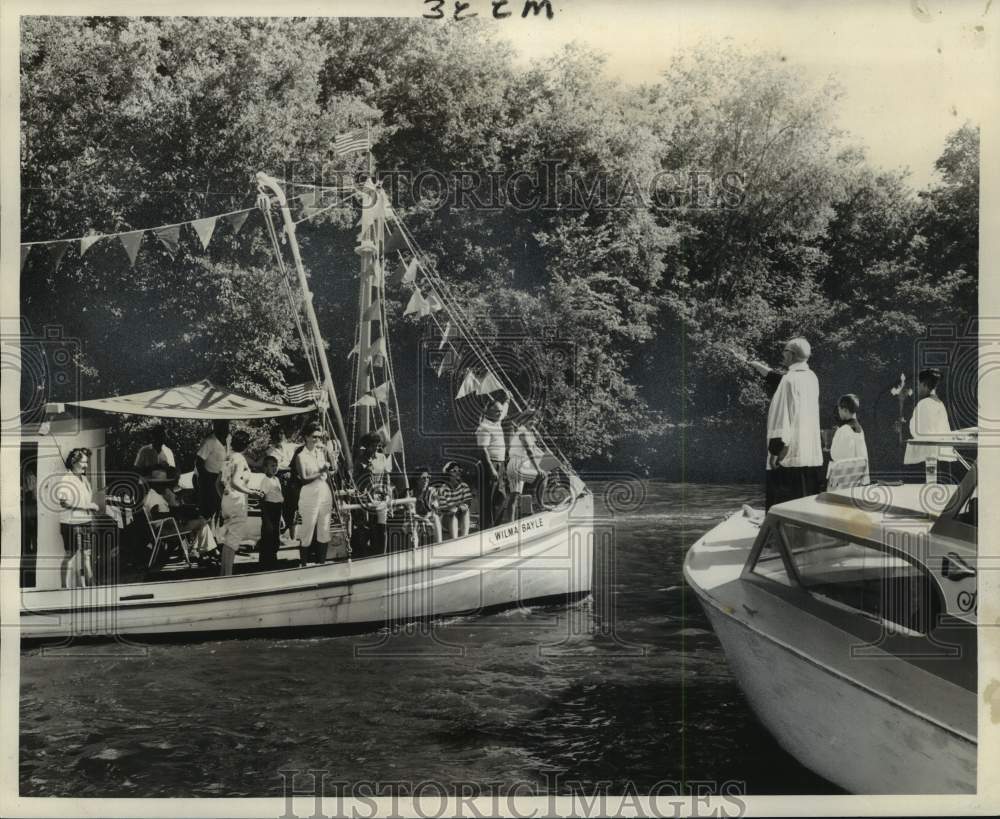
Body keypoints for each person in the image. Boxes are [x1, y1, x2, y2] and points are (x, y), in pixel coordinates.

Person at [763, 337, 823, 510]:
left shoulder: (788, 380)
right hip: (810, 455)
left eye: (785, 350)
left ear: (791, 354)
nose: (783, 354)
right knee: (806, 509)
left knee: (783, 510)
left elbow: (782, 419)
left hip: (789, 458)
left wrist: (774, 452)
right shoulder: (812, 378)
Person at [142, 467, 220, 564]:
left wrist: (176, 515)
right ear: (155, 484)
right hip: (165, 529)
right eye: (162, 483)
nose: (164, 485)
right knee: (201, 522)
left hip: (168, 525)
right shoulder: (153, 496)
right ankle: (206, 551)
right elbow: (156, 515)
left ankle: (204, 551)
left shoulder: (154, 494)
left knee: (200, 521)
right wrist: (175, 516)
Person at [218, 430, 264, 576]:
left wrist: (224, 497)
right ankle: (228, 575)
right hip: (237, 500)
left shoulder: (228, 458)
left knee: (228, 540)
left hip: (227, 499)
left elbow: (217, 483)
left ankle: (224, 573)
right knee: (233, 540)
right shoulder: (239, 459)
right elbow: (235, 482)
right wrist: (251, 492)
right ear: (246, 445)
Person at [54, 447, 99, 588]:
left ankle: (90, 587)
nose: (86, 465)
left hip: (86, 522)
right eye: (83, 462)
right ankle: (64, 588)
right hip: (71, 523)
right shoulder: (66, 479)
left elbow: (85, 500)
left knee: (86, 555)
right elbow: (64, 502)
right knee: (71, 555)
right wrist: (86, 507)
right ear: (74, 462)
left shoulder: (84, 479)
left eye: (87, 462)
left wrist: (90, 508)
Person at [904, 368, 958, 478]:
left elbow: (917, 431)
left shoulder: (924, 404)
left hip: (927, 458)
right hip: (940, 455)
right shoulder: (939, 404)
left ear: (924, 385)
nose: (917, 388)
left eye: (918, 385)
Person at [296, 421, 337, 566]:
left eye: (319, 437)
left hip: (324, 493)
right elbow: (304, 479)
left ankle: (322, 564)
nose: (317, 439)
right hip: (309, 495)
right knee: (307, 530)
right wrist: (321, 472)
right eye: (314, 436)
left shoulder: (321, 453)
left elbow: (330, 474)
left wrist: (331, 463)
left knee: (324, 530)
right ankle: (303, 565)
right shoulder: (301, 456)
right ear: (306, 437)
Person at [505, 406, 549, 520]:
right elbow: (529, 451)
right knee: (544, 476)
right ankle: (540, 505)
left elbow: (534, 450)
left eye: (535, 419)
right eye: (531, 419)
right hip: (517, 465)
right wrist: (538, 469)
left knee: (514, 496)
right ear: (524, 419)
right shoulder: (523, 432)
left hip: (512, 465)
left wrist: (546, 458)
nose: (533, 421)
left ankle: (510, 522)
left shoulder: (524, 432)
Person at [475, 393, 509, 528]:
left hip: (500, 464)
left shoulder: (497, 421)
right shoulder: (484, 427)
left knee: (501, 496)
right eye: (496, 411)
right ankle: (486, 529)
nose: (499, 414)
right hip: (490, 464)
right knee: (488, 499)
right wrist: (491, 469)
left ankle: (496, 527)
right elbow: (482, 450)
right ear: (487, 411)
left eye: (500, 411)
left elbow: (504, 411)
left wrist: (507, 399)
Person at [265, 425, 301, 543]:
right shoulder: (270, 451)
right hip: (278, 480)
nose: (279, 436)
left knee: (293, 508)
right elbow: (274, 467)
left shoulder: (291, 446)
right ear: (272, 436)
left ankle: (293, 538)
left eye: (281, 433)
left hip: (292, 481)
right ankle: (278, 537)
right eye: (276, 434)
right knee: (279, 508)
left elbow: (303, 447)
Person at [828, 394, 870, 485]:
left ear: (845, 410)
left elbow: (835, 455)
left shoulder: (843, 430)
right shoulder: (860, 429)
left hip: (845, 481)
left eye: (839, 410)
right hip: (859, 480)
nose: (838, 412)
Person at [196, 420, 229, 520]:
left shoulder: (229, 439)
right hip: (210, 478)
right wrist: (207, 481)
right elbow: (199, 462)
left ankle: (219, 528)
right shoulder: (210, 441)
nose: (225, 428)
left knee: (222, 508)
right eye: (222, 425)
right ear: (216, 426)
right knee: (210, 509)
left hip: (223, 479)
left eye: (226, 425)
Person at [258, 455, 284, 569]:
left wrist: (281, 517)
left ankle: (273, 560)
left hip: (277, 510)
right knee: (267, 538)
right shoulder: (265, 481)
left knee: (275, 538)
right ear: (265, 468)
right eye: (272, 466)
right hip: (269, 510)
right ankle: (265, 564)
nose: (275, 468)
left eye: (276, 466)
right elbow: (262, 500)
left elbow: (279, 498)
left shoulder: (276, 479)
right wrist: (267, 520)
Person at [439, 461, 472, 539]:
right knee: (452, 514)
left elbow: (468, 502)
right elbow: (442, 508)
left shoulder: (464, 486)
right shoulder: (443, 489)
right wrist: (452, 509)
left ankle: (465, 537)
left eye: (459, 470)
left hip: (460, 516)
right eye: (454, 471)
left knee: (466, 511)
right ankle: (455, 539)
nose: (457, 473)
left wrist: (461, 508)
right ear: (448, 474)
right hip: (447, 519)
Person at [412, 465, 442, 545]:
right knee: (414, 523)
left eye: (428, 477)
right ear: (417, 480)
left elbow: (435, 509)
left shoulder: (432, 491)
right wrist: (421, 518)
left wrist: (427, 517)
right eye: (423, 478)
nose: (426, 480)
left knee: (436, 517)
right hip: (415, 519)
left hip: (428, 517)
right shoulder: (411, 493)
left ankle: (439, 544)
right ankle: (415, 548)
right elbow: (411, 513)